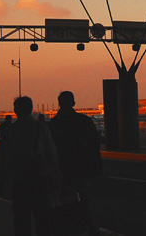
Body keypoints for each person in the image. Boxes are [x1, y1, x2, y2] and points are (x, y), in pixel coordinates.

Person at [0, 96, 59, 236]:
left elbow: (5, 158)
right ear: (31, 109)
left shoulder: (11, 131)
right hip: (39, 178)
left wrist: (2, 180)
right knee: (42, 217)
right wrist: (56, 174)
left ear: (15, 110)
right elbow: (51, 154)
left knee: (21, 219)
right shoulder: (41, 128)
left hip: (19, 180)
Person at [48, 91, 102, 236]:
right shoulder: (84, 121)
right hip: (81, 167)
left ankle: (66, 228)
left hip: (62, 168)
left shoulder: (53, 123)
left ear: (59, 104)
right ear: (73, 103)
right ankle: (90, 227)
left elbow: (49, 149)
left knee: (62, 201)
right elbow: (94, 145)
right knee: (84, 199)